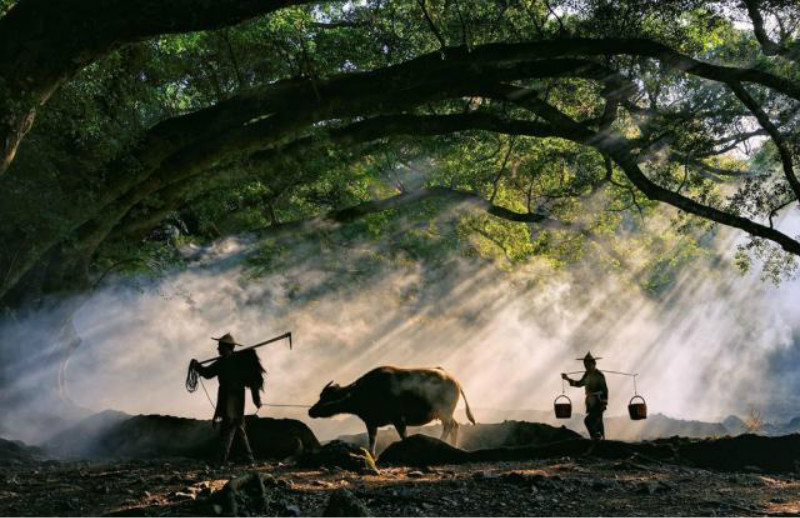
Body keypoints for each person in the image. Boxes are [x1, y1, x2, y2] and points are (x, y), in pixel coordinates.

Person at [190, 333, 266, 463]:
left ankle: (220, 459)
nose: (218, 349)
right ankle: (248, 458)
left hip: (233, 399)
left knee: (228, 427)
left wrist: (256, 399)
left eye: (220, 346)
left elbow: (253, 379)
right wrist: (197, 366)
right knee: (239, 427)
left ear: (227, 347)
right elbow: (207, 373)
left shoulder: (238, 362)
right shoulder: (222, 362)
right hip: (228, 397)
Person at [562, 352, 608, 440]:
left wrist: (604, 403)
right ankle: (599, 441)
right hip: (591, 403)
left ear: (594, 364)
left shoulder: (599, 375)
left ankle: (596, 438)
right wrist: (567, 379)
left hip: (599, 402)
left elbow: (605, 390)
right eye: (585, 365)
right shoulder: (587, 375)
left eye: (588, 364)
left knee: (588, 421)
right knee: (598, 422)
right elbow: (579, 383)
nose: (586, 366)